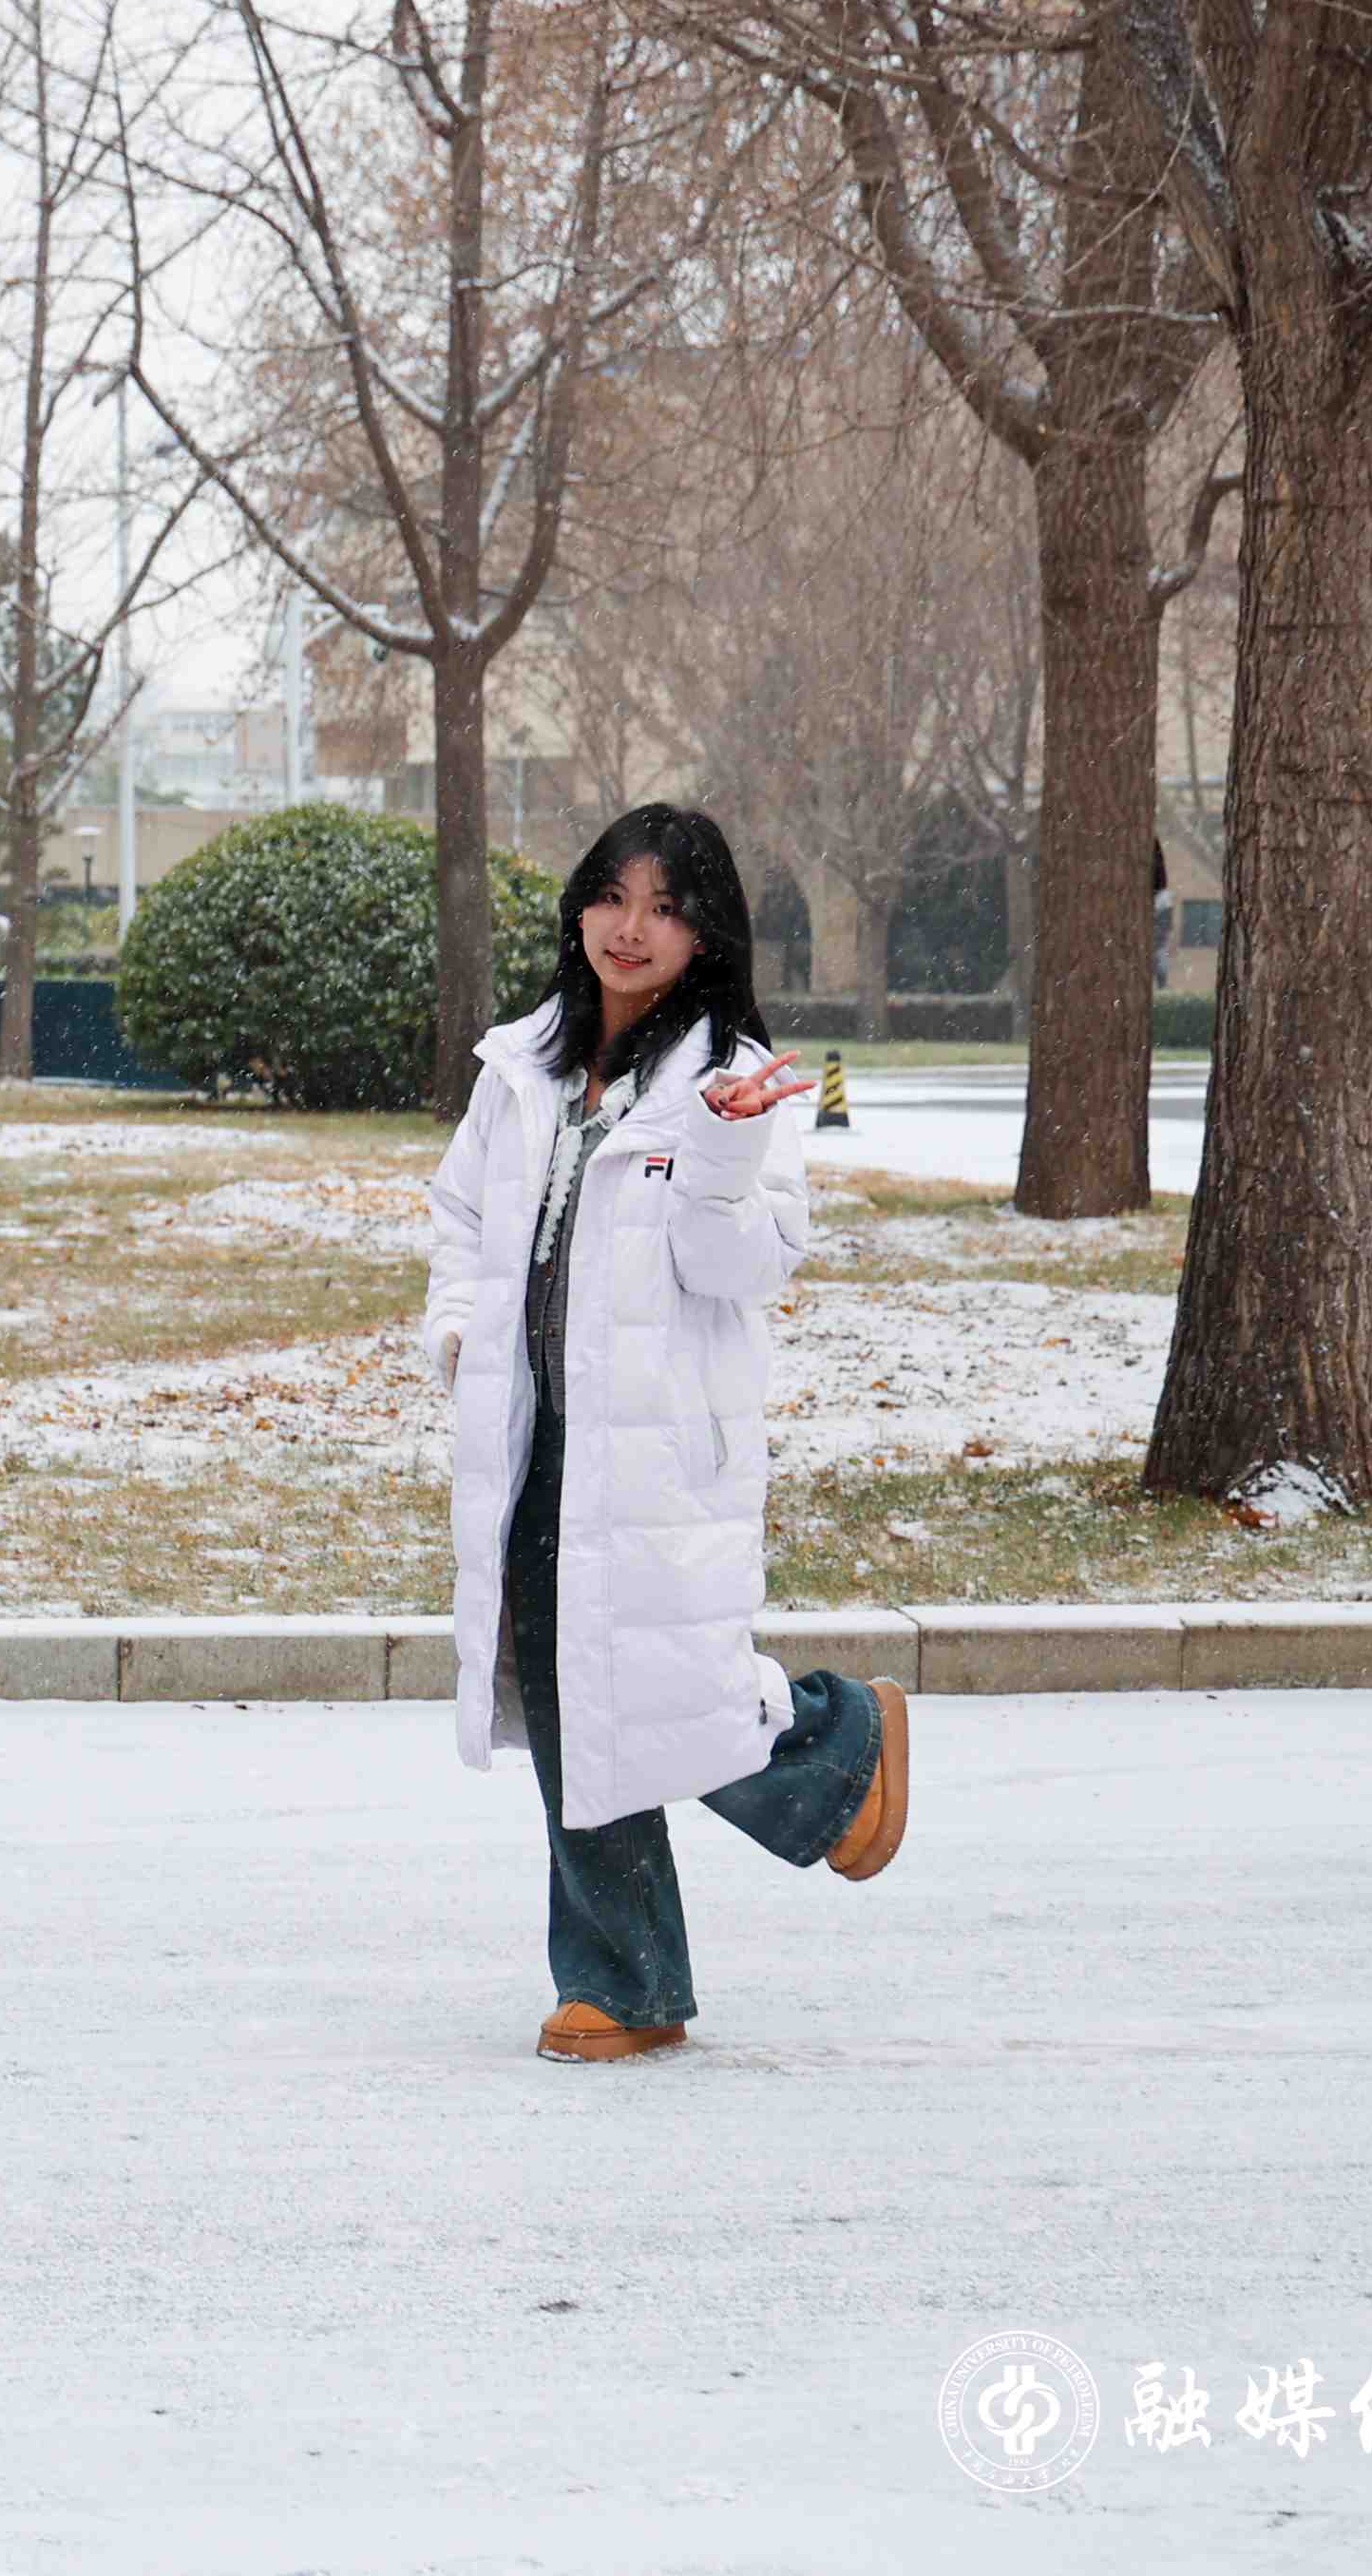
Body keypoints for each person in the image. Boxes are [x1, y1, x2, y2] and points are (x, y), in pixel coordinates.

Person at [419, 804, 909, 2065]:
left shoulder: (731, 1078)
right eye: (612, 897)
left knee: (662, 1692)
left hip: (652, 1448)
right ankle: (624, 1983)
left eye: (665, 909)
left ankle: (834, 1741)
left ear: (706, 936)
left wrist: (723, 1153)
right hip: (531, 1441)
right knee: (569, 1706)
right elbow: (461, 1216)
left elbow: (742, 1268)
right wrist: (459, 1331)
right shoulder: (521, 1064)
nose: (630, 929)